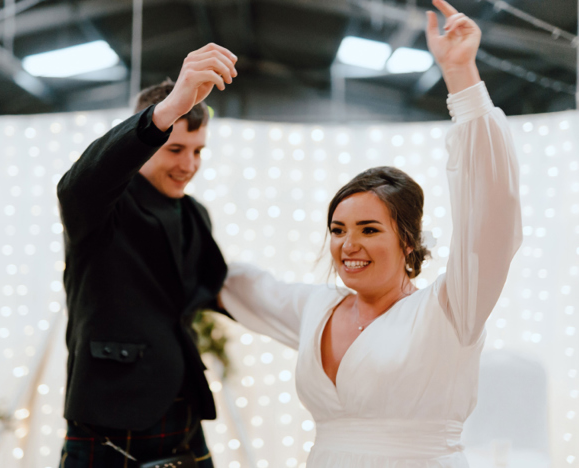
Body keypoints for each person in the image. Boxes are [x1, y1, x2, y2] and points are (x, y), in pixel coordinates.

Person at [219, 1, 522, 466]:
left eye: (368, 229)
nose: (347, 245)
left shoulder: (452, 309)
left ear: (408, 240)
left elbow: (491, 217)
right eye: (338, 229)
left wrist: (461, 76)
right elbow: (246, 287)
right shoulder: (316, 307)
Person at [56, 43, 238, 467]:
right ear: (147, 138)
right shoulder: (101, 207)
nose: (189, 165)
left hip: (184, 410)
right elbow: (76, 185)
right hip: (109, 417)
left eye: (198, 151)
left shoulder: (197, 214)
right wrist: (170, 107)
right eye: (175, 149)